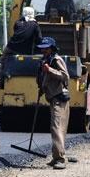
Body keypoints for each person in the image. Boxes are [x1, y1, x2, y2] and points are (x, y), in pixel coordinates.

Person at [36, 37, 71, 170]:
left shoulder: (56, 60)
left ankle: (60, 159)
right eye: (42, 48)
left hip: (59, 98)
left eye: (46, 48)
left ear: (51, 48)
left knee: (56, 128)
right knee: (56, 128)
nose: (43, 50)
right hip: (52, 97)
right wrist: (42, 89)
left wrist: (49, 70)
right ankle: (56, 156)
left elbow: (65, 76)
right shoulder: (46, 60)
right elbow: (45, 79)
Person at [0, 7, 42, 88]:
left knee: (2, 62)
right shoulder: (35, 25)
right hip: (25, 50)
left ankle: (0, 82)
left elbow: (17, 33)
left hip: (11, 47)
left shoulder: (17, 23)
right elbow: (39, 40)